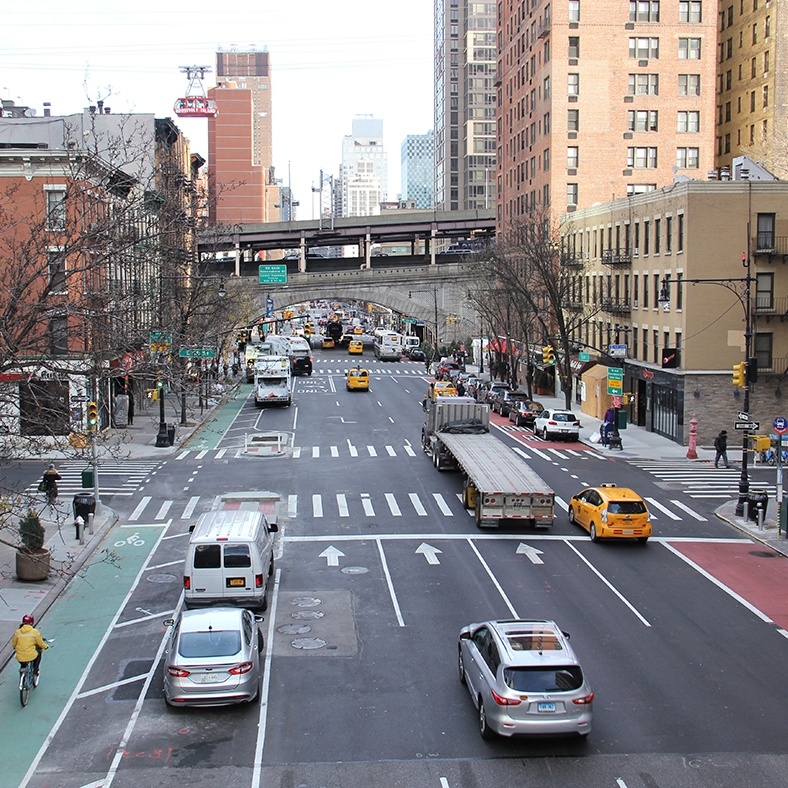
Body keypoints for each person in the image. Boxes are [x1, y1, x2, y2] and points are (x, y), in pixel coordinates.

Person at [12, 615, 48, 684]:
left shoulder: (18, 632)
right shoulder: (35, 632)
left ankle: (23, 670)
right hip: (31, 655)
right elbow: (40, 643)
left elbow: (14, 644)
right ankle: (35, 671)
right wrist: (45, 646)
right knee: (38, 654)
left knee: (23, 662)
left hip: (20, 656)